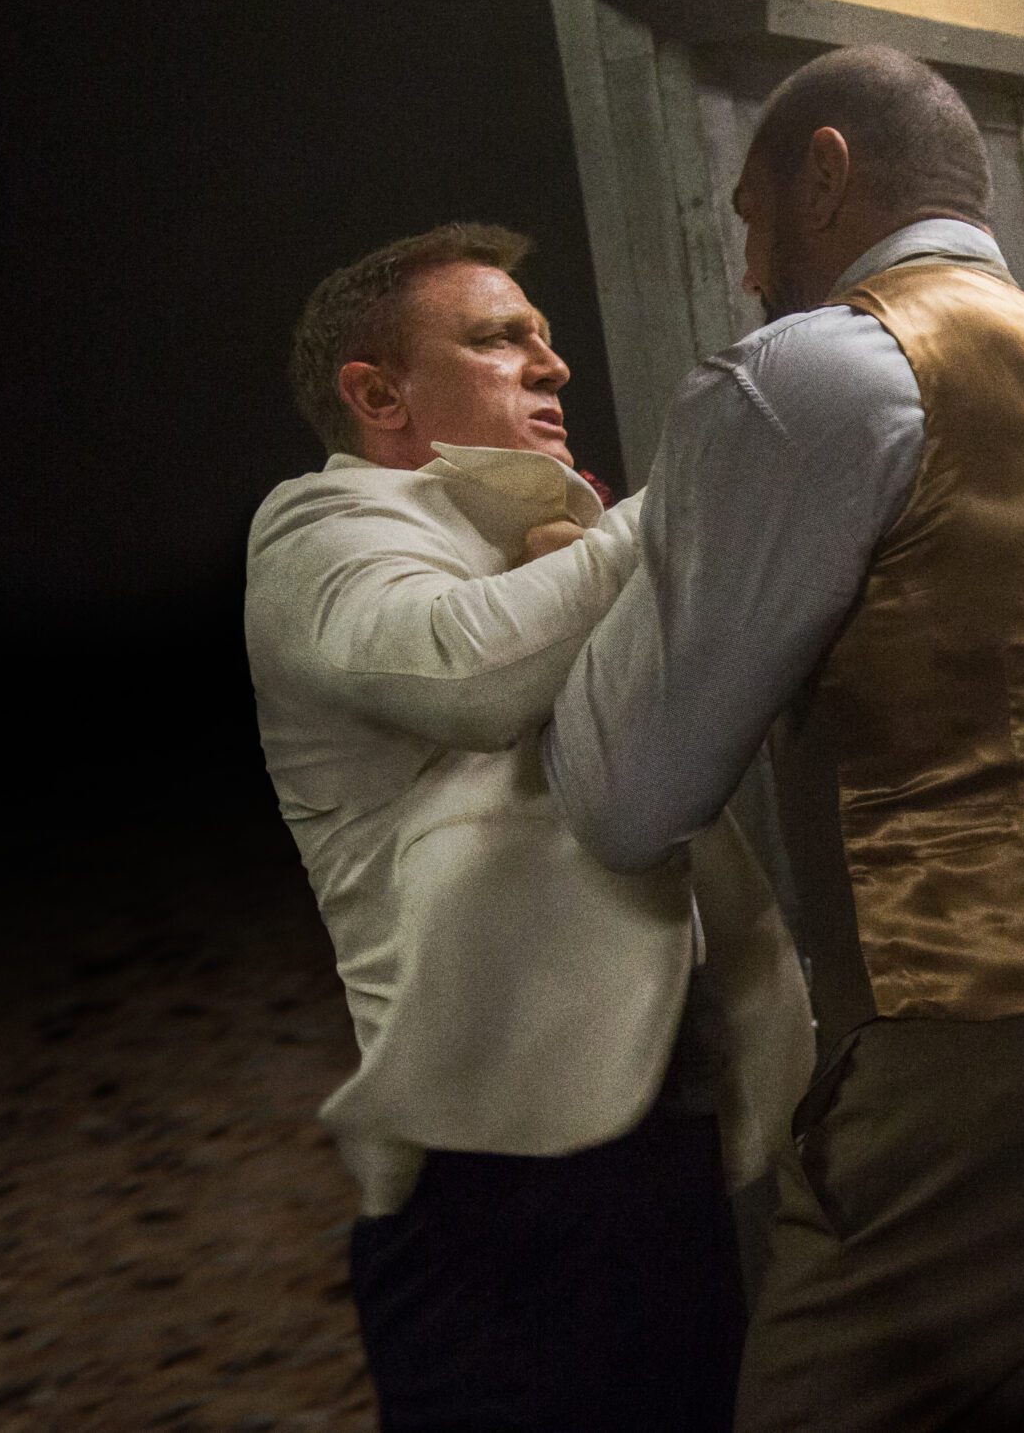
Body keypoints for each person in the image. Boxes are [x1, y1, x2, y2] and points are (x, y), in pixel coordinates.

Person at [545, 46, 1024, 1433]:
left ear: (826, 173)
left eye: (750, 219)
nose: (748, 269)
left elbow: (626, 793)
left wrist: (617, 554)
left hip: (983, 1078)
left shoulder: (808, 377)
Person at [242, 223, 814, 1432]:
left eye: (545, 338)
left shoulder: (550, 545)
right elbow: (462, 670)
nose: (550, 365)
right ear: (377, 394)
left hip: (649, 1145)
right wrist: (684, 501)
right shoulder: (321, 530)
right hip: (490, 1185)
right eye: (499, 339)